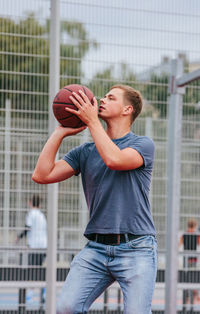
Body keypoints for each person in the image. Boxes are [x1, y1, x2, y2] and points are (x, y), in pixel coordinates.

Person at [32, 84, 157, 314]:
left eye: (111, 98)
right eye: (104, 96)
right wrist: (60, 132)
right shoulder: (85, 152)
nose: (102, 100)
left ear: (127, 109)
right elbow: (41, 175)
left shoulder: (142, 145)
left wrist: (91, 122)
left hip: (136, 246)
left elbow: (115, 160)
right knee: (67, 308)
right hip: (96, 248)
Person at [17, 194, 47, 305]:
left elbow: (27, 227)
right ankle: (43, 291)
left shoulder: (31, 214)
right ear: (40, 204)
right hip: (43, 246)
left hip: (34, 246)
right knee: (38, 269)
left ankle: (30, 293)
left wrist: (18, 237)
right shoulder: (42, 216)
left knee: (31, 269)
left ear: (30, 203)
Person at [179, 218, 200, 305]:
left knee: (186, 276)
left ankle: (187, 294)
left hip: (185, 258)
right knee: (193, 277)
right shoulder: (197, 234)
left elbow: (179, 244)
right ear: (195, 226)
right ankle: (194, 292)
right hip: (193, 258)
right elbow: (199, 244)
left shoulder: (184, 234)